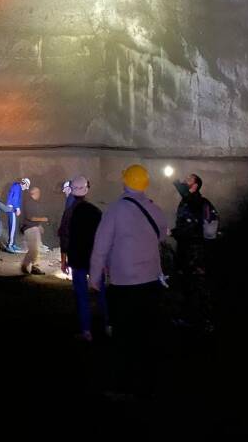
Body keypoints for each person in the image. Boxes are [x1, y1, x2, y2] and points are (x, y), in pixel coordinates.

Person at [89, 164, 167, 398]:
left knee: (124, 337)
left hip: (124, 285)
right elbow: (162, 234)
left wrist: (94, 278)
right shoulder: (154, 209)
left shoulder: (115, 210)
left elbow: (101, 247)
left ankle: (124, 386)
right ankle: (149, 384)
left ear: (125, 183)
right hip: (151, 283)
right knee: (147, 336)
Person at [59, 176, 108, 341]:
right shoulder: (95, 211)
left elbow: (64, 236)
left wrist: (63, 259)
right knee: (102, 292)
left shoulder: (69, 212)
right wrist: (104, 260)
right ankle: (108, 325)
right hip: (95, 258)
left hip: (77, 259)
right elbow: (103, 237)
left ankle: (86, 331)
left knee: (82, 295)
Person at [171, 173, 218, 332]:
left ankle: (206, 320)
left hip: (196, 252)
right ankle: (189, 318)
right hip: (186, 249)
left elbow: (191, 228)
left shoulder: (197, 201)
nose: (186, 179)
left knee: (199, 285)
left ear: (195, 185)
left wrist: (174, 233)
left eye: (189, 178)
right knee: (186, 284)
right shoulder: (188, 201)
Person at [20, 185, 48, 275]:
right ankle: (35, 267)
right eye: (38, 192)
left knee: (33, 249)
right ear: (33, 193)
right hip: (30, 228)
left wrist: (39, 226)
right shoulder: (30, 203)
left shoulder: (32, 203)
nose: (39, 194)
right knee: (35, 249)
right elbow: (30, 217)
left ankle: (24, 266)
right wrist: (43, 219)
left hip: (32, 228)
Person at [4, 177, 30, 253]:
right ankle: (10, 246)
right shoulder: (17, 187)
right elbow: (14, 199)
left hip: (12, 209)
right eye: (26, 186)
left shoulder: (17, 187)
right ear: (24, 184)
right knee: (12, 227)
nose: (25, 188)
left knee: (13, 227)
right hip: (11, 209)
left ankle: (13, 244)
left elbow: (16, 199)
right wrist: (17, 208)